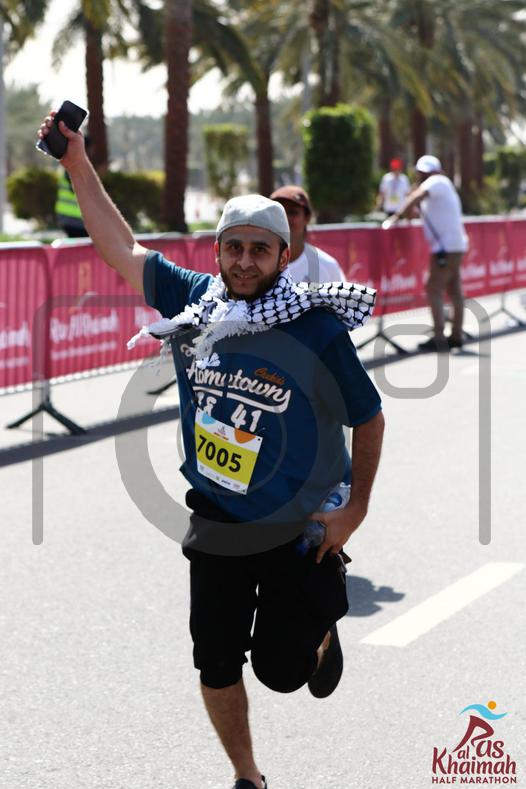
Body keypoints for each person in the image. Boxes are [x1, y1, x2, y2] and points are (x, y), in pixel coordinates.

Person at [39, 112, 385, 789]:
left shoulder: (313, 327)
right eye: (235, 248)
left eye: (261, 249)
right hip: (218, 517)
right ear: (217, 251)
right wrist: (76, 161)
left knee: (281, 672)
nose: (246, 261)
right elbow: (121, 246)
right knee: (216, 660)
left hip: (297, 524)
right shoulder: (194, 300)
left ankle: (319, 631)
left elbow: (369, 417)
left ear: (284, 256)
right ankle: (248, 775)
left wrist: (355, 513)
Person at [389, 154, 468, 352]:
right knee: (455, 291)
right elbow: (417, 207)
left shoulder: (436, 181)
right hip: (454, 246)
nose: (420, 176)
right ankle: (456, 336)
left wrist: (395, 218)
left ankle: (439, 337)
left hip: (445, 248)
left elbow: (415, 198)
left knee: (433, 289)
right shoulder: (440, 185)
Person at [270, 185, 345, 283]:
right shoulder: (257, 265)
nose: (285, 219)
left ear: (307, 218)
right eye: (279, 212)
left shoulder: (327, 267)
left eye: (292, 212)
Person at [54, 135, 93, 237]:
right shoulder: (73, 166)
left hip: (71, 217)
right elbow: (76, 188)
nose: (90, 153)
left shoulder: (72, 164)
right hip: (73, 218)